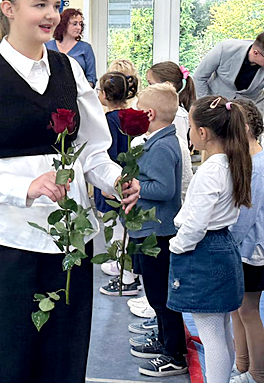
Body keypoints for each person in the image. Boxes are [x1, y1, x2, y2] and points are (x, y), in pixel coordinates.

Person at [0, 0, 140, 382]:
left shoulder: (69, 69)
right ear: (9, 10)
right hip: (2, 242)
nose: (52, 14)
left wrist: (115, 179)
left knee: (63, 364)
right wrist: (25, 188)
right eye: (40, 5)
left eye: (55, 6)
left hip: (67, 243)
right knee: (0, 363)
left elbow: (91, 148)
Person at [168, 95, 251, 383]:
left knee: (211, 333)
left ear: (202, 133)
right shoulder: (234, 163)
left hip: (204, 251)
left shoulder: (210, 172)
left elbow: (195, 225)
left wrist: (176, 245)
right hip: (223, 247)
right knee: (221, 329)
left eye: (190, 127)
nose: (189, 134)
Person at [125, 84, 187, 377]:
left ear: (148, 113)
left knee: (162, 298)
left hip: (158, 233)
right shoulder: (156, 140)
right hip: (147, 229)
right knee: (154, 294)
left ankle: (174, 353)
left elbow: (164, 189)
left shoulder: (162, 146)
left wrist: (137, 187)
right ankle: (163, 340)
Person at [94, 71, 141, 291]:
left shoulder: (108, 121)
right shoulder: (134, 115)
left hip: (113, 183)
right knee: (128, 228)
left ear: (104, 95)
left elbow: (108, 155)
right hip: (130, 180)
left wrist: (108, 184)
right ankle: (126, 269)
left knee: (115, 228)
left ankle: (125, 276)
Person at [230, 98, 264, 383]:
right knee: (237, 308)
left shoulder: (258, 166)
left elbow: (248, 215)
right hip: (243, 248)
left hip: (252, 250)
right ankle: (241, 364)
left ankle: (257, 373)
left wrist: (228, 243)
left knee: (249, 310)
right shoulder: (248, 161)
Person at [147, 61, 196, 197]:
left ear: (167, 86)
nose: (148, 88)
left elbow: (179, 150)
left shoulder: (177, 115)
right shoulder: (170, 113)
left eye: (151, 84)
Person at [194, 33, 264, 113]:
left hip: (249, 109)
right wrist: (206, 106)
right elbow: (199, 77)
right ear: (255, 53)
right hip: (216, 103)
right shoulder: (225, 48)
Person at [46, 8, 97, 87]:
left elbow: (91, 77)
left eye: (80, 24)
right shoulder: (47, 46)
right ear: (64, 24)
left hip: (78, 94)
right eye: (74, 24)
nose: (79, 28)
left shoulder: (86, 48)